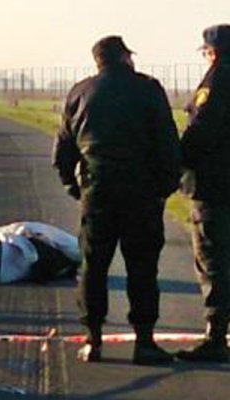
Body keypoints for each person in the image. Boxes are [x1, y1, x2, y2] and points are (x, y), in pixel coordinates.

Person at [52, 36, 181, 365]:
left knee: (93, 267)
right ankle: (145, 341)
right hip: (141, 194)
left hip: (98, 193)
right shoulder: (149, 89)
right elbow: (168, 144)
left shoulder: (79, 93)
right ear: (124, 57)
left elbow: (63, 151)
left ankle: (93, 339)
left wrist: (74, 187)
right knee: (142, 268)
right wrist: (163, 188)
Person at [176, 24, 230, 363]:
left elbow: (200, 132)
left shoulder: (216, 82)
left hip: (215, 184)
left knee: (213, 259)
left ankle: (215, 335)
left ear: (213, 52)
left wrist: (175, 164)